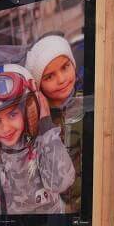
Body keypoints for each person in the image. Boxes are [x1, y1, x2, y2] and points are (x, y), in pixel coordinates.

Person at [0, 64, 76, 215]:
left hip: (49, 225)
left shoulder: (41, 143)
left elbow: (61, 182)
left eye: (12, 115)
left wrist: (46, 125)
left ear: (30, 110)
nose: (5, 128)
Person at [26, 34, 84, 212]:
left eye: (65, 67)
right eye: (49, 77)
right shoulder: (36, 125)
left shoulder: (88, 104)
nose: (61, 79)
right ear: (38, 85)